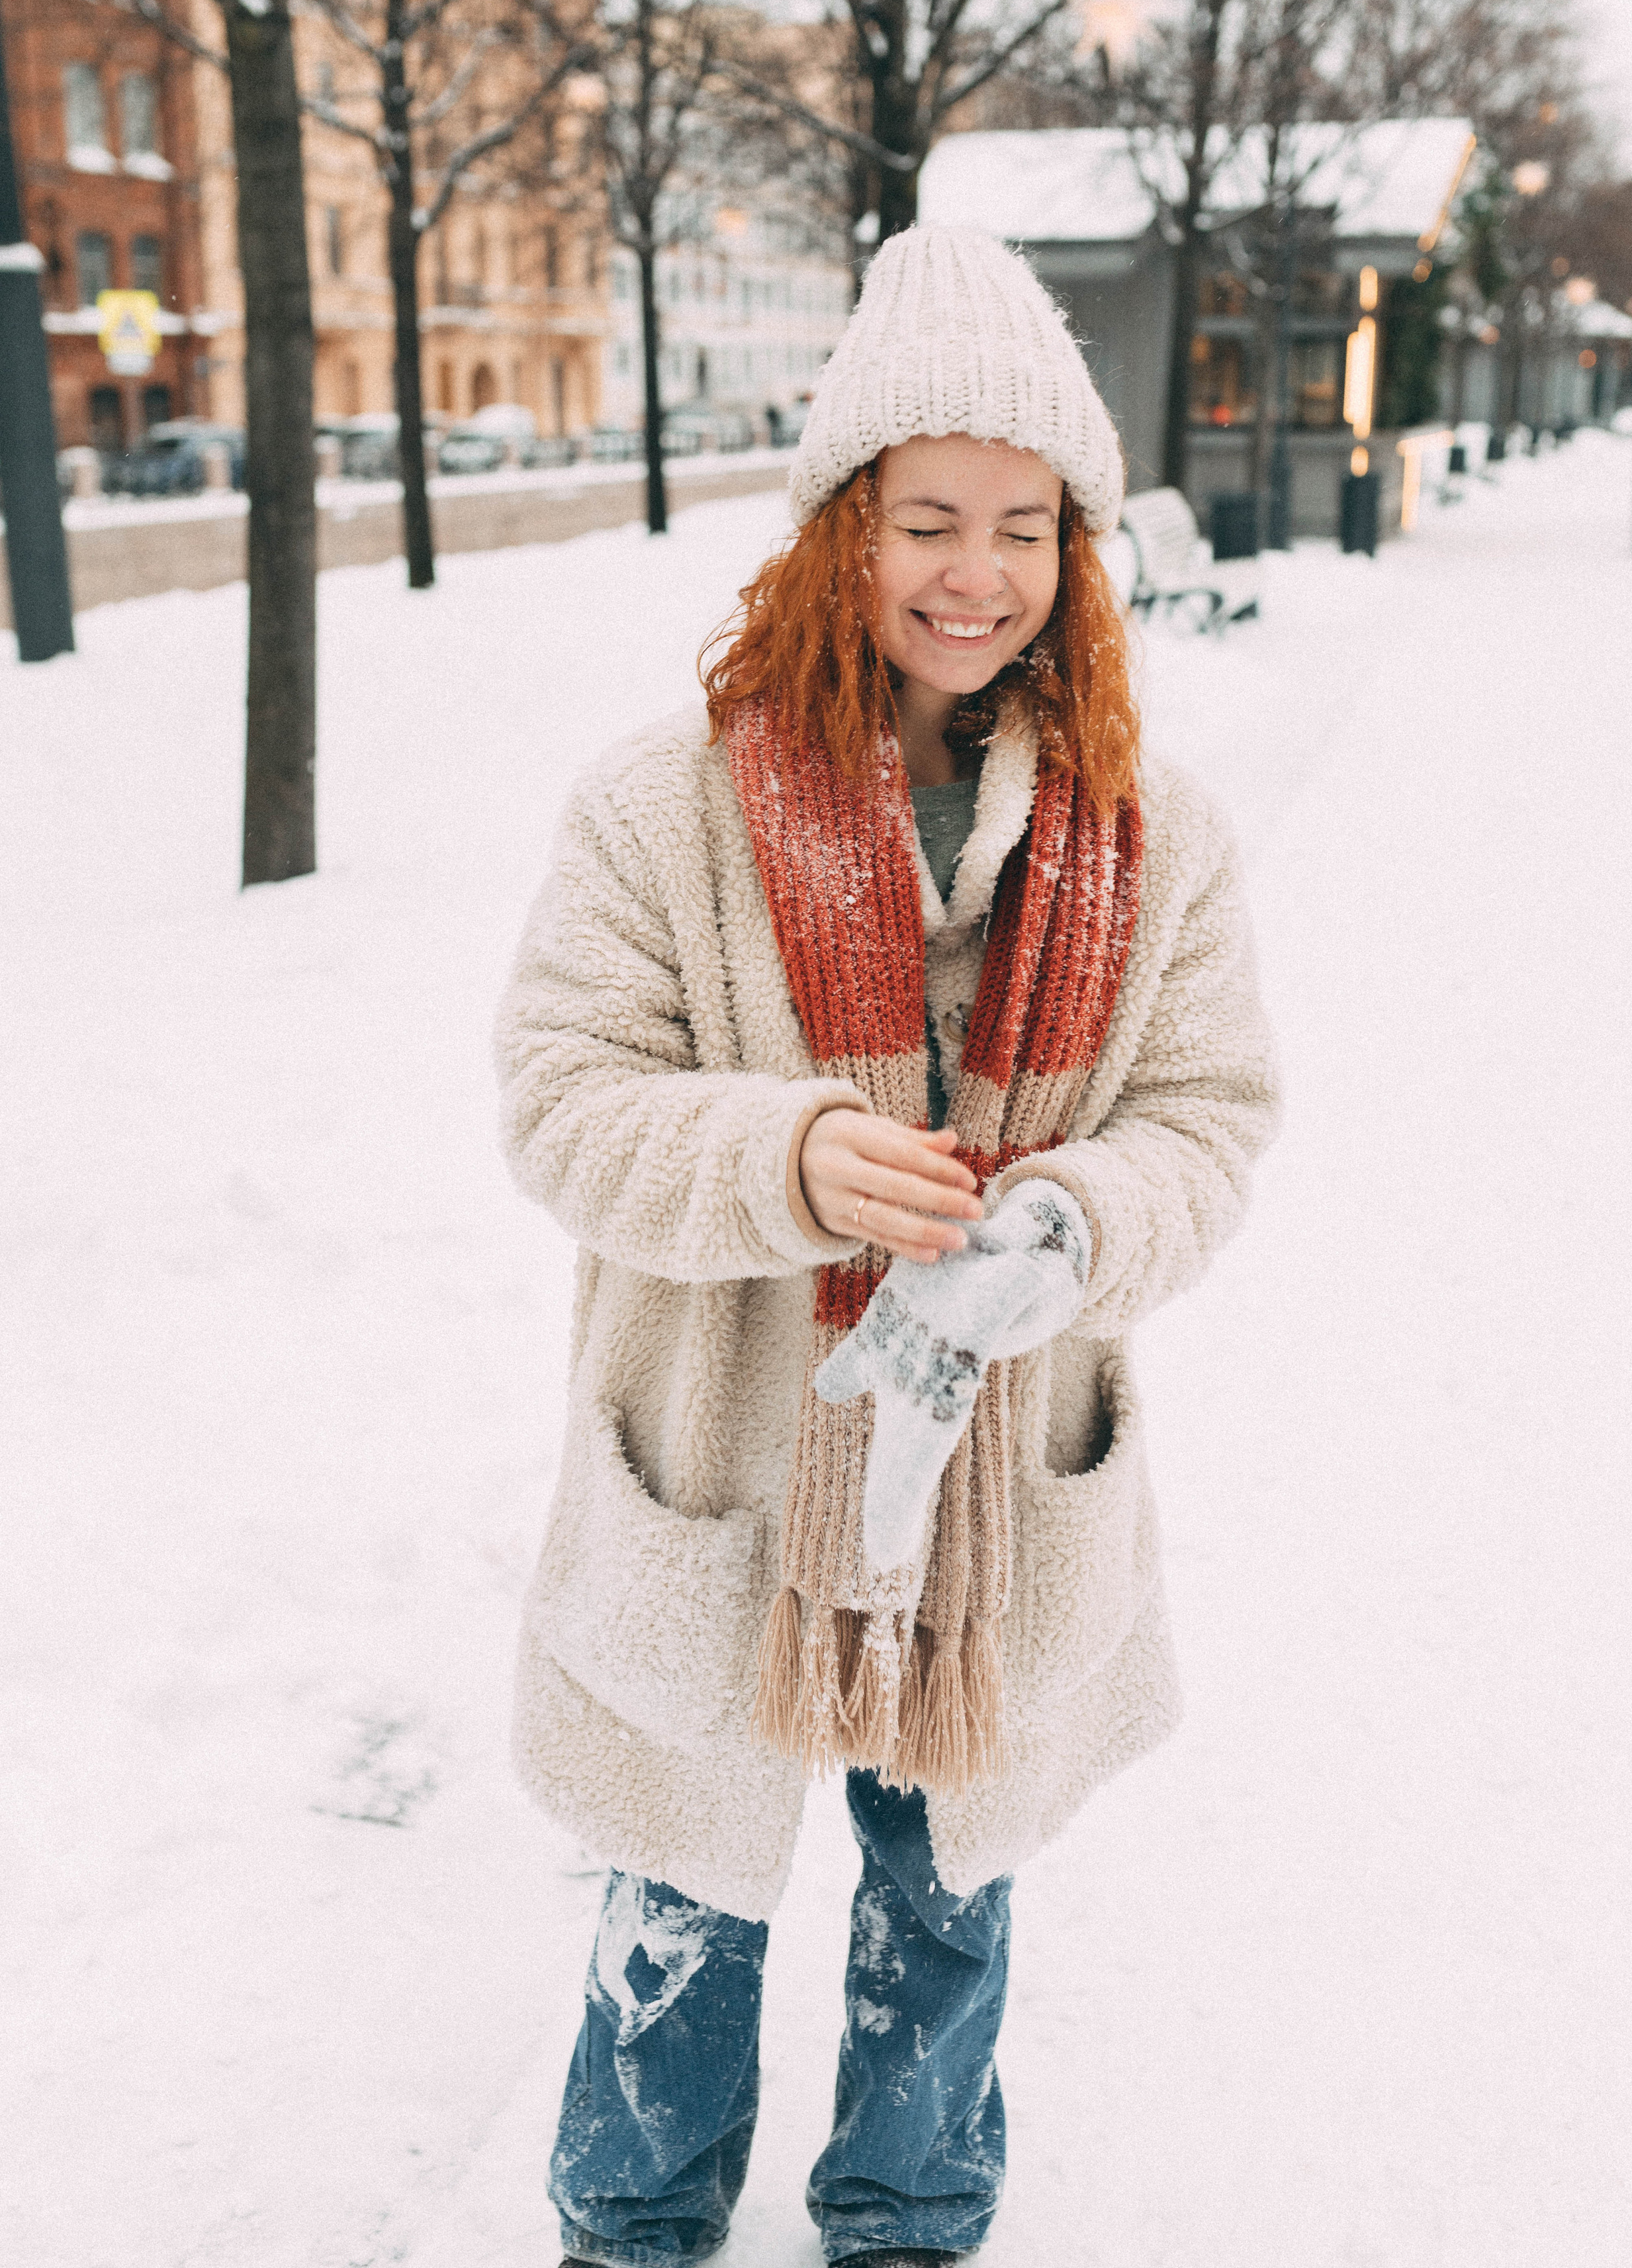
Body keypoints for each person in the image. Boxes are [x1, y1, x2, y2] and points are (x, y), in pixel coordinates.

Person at [495, 224, 1280, 2268]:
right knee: (687, 1888)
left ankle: (911, 2222)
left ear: (1076, 552)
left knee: (950, 1897)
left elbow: (1209, 1118)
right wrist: (795, 1153)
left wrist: (1077, 1216)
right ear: (841, 529)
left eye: (1024, 528)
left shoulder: (1154, 832)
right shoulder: (657, 810)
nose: (975, 572)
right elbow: (562, 1109)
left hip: (995, 1491)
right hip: (733, 1460)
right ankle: (636, 2227)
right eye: (928, 518)